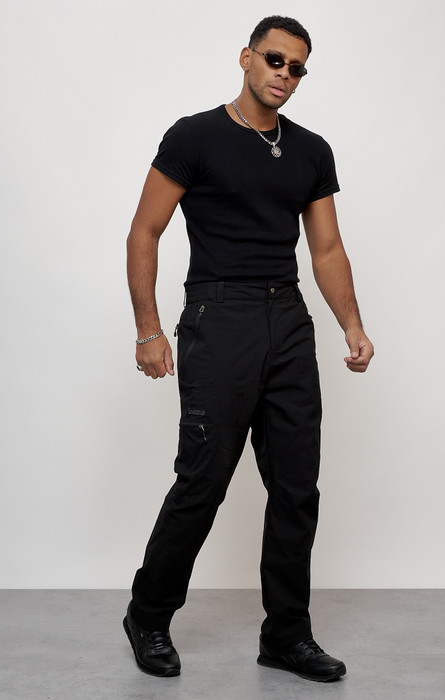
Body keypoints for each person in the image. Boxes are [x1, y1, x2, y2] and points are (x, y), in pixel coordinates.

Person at [123, 15, 374, 684]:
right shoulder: (194, 136)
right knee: (203, 479)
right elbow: (145, 230)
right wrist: (148, 328)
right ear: (246, 57)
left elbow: (326, 248)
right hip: (219, 315)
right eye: (274, 60)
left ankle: (286, 636)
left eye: (297, 68)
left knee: (296, 488)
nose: (285, 75)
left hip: (287, 319)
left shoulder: (311, 150)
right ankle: (147, 615)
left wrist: (351, 324)